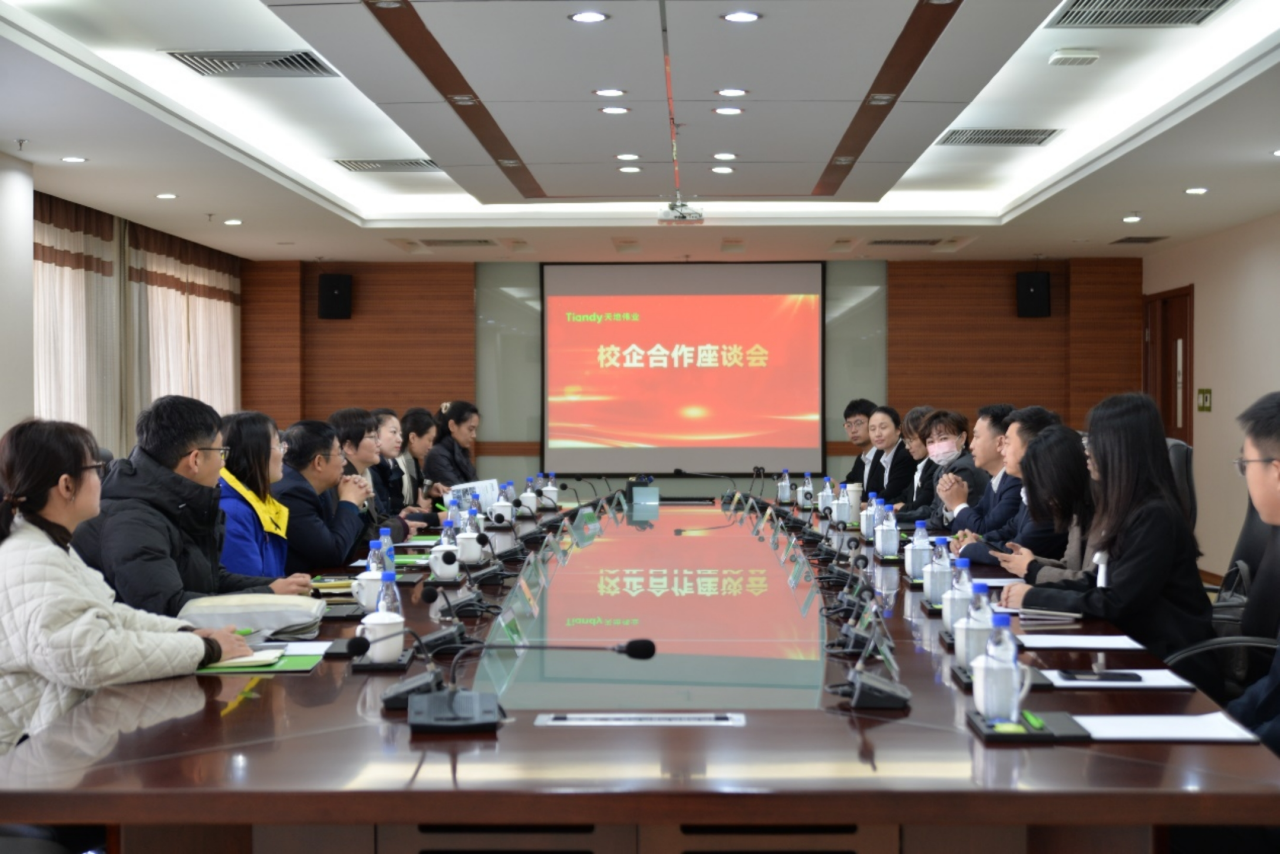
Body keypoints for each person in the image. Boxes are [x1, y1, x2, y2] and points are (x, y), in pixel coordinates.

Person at [0, 419, 252, 744]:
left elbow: (110, 615)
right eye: (95, 469)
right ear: (66, 486)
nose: (103, 477)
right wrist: (205, 649)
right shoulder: (34, 558)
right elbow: (92, 655)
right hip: (28, 755)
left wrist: (187, 633)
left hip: (60, 738)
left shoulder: (47, 545)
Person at [1000, 394, 1219, 696]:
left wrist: (1035, 597)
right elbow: (1097, 582)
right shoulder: (1125, 509)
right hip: (1132, 649)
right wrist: (1034, 591)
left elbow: (1116, 602)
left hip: (1167, 663)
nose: (1087, 452)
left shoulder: (1154, 516)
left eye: (1094, 442)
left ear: (1121, 448)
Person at [72, 396, 311, 617]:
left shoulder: (178, 501)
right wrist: (268, 595)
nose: (223, 464)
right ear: (195, 459)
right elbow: (169, 607)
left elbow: (212, 579)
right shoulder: (133, 521)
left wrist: (274, 586)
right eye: (221, 453)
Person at [953, 406, 1067, 565]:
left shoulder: (1052, 500)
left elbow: (1017, 551)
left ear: (1032, 448)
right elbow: (1009, 530)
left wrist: (969, 548)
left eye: (1007, 443)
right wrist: (977, 540)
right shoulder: (1032, 491)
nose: (1002, 451)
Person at [992, 424, 1097, 585]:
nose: (1041, 492)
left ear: (1061, 475)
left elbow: (1090, 583)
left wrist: (1031, 569)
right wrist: (1028, 562)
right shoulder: (1077, 512)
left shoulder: (1102, 512)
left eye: (1041, 481)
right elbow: (1070, 567)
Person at [271, 420, 372, 574]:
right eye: (340, 453)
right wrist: (349, 502)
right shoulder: (292, 495)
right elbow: (333, 554)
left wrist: (357, 504)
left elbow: (345, 550)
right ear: (319, 462)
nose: (344, 462)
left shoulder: (316, 486)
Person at [218, 412, 289, 579]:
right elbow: (247, 586)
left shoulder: (255, 504)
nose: (283, 453)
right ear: (254, 453)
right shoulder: (233, 512)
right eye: (278, 445)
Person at [329, 408, 415, 545]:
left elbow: (375, 520)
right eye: (372, 437)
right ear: (349, 446)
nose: (379, 443)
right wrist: (399, 528)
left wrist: (402, 524)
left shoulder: (364, 474)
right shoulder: (340, 481)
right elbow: (358, 536)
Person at [939, 404, 1020, 535]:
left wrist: (958, 504)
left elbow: (983, 531)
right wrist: (950, 504)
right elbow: (964, 528)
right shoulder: (995, 480)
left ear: (1000, 443)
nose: (971, 446)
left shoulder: (1016, 482)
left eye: (976, 437)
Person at [915, 410, 990, 530]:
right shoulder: (941, 469)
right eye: (930, 441)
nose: (937, 445)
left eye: (943, 438)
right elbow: (935, 510)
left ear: (962, 438)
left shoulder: (962, 468)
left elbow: (945, 519)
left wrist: (919, 526)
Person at [398, 407, 449, 514]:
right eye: (429, 440)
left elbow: (419, 484)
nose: (431, 447)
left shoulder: (411, 459)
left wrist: (430, 488)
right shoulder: (397, 465)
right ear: (412, 438)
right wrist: (419, 507)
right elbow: (396, 512)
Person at [864, 405, 914, 504]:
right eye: (872, 429)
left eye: (883, 427)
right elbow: (872, 489)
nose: (877, 434)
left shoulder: (906, 454)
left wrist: (870, 504)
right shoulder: (879, 454)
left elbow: (893, 493)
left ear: (898, 429)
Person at [894, 405, 936, 521]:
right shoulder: (921, 464)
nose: (907, 447)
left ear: (927, 435)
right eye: (905, 441)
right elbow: (905, 495)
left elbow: (922, 506)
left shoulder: (937, 467)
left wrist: (902, 508)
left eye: (911, 440)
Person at [426, 401, 480, 487]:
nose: (474, 435)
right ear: (452, 426)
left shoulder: (461, 452)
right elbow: (455, 490)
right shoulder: (437, 455)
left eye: (475, 430)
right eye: (470, 429)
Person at [839, 398, 878, 487]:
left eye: (858, 423)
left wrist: (841, 490)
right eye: (849, 425)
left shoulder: (885, 458)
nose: (853, 430)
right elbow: (851, 482)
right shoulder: (861, 459)